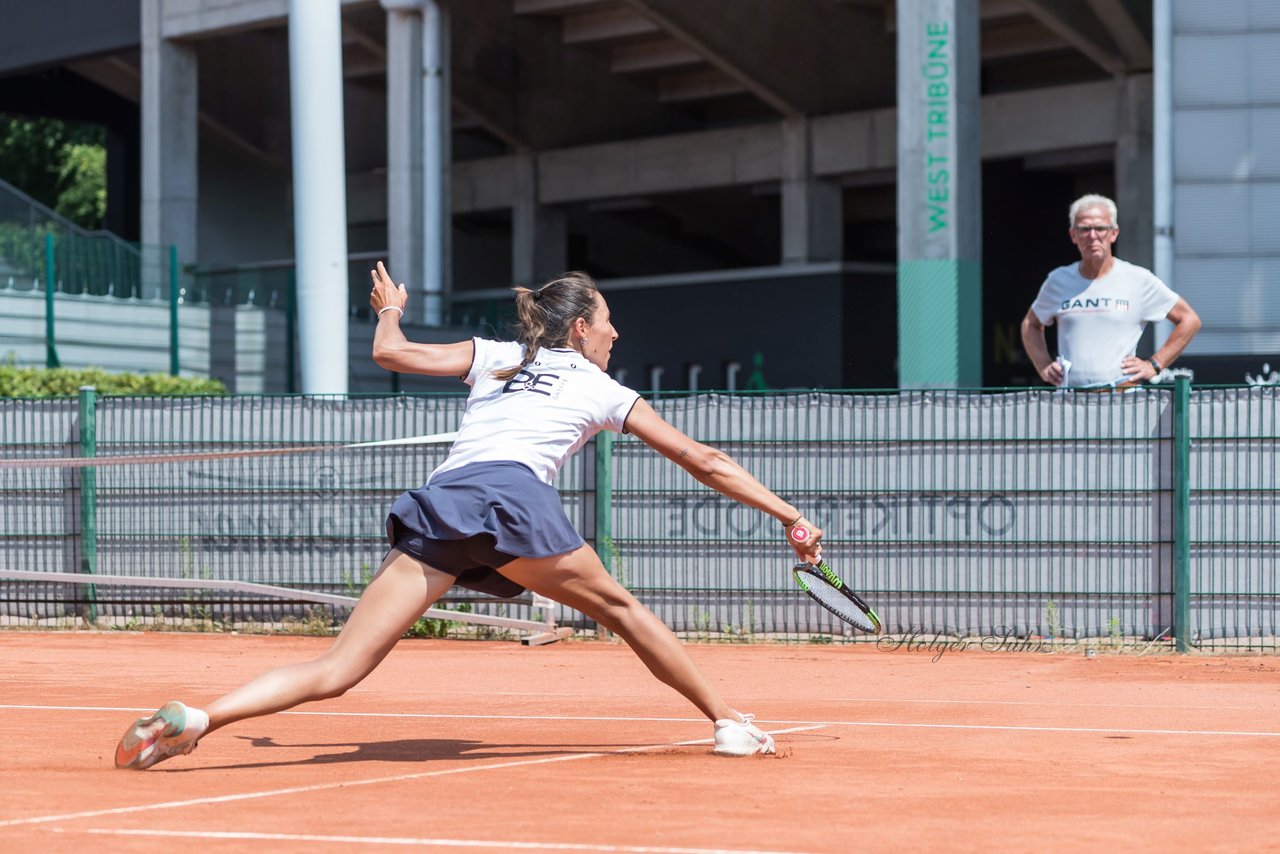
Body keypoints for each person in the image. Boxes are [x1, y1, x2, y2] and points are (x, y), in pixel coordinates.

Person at [114, 262, 824, 769]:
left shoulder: (495, 357)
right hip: (508, 498)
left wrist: (390, 305)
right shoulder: (604, 387)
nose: (615, 333)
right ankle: (729, 725)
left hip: (443, 501)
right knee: (627, 613)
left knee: (339, 666)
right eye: (608, 321)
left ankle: (199, 719)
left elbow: (387, 351)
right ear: (580, 328)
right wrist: (789, 514)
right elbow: (705, 460)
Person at [1021, 194, 1201, 388]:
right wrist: (1043, 366)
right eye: (1084, 229)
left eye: (1100, 228)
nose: (1092, 236)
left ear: (1113, 233)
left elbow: (1189, 319)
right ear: (1073, 235)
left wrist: (1155, 364)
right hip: (1071, 405)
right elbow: (1030, 324)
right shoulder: (1058, 280)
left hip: (1122, 401)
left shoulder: (1138, 279)